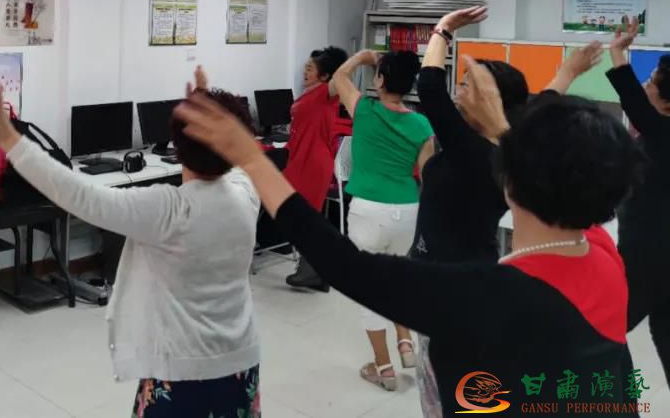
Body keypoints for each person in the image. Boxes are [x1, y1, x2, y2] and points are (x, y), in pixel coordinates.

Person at [175, 59, 642, 413]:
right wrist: (516, 119)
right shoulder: (604, 254)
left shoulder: (482, 296)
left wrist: (250, 159)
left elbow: (344, 264)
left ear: (513, 178)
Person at [0, 68, 261, 418]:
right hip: (241, 364)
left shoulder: (170, 210)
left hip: (182, 372)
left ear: (178, 146)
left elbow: (78, 194)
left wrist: (9, 138)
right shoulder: (246, 193)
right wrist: (206, 108)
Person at [412, 8, 601, 416]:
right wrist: (568, 70)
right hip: (477, 269)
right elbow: (544, 100)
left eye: (467, 86)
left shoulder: (470, 149)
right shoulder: (514, 144)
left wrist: (444, 29)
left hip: (444, 282)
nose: (460, 91)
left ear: (489, 100)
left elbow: (428, 85)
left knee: (442, 386)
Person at [329, 48, 434, 391]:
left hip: (369, 211)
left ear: (381, 79)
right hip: (408, 209)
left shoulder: (364, 110)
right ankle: (405, 341)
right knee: (397, 277)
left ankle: (384, 367)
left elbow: (338, 78)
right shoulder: (422, 124)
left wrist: (361, 57)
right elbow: (428, 175)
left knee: (369, 288)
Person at [604, 17, 670, 384]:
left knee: (601, 332)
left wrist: (617, 51)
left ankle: (617, 402)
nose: (645, 86)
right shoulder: (658, 133)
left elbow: (630, 97)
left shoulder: (661, 133)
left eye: (652, 83)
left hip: (647, 256)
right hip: (656, 255)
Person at [283, 46, 348, 291]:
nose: (305, 71)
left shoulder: (326, 92)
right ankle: (317, 272)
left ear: (325, 75)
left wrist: (360, 58)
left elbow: (341, 75)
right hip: (300, 158)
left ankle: (311, 271)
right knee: (305, 217)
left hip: (313, 162)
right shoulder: (309, 94)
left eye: (310, 68)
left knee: (305, 218)